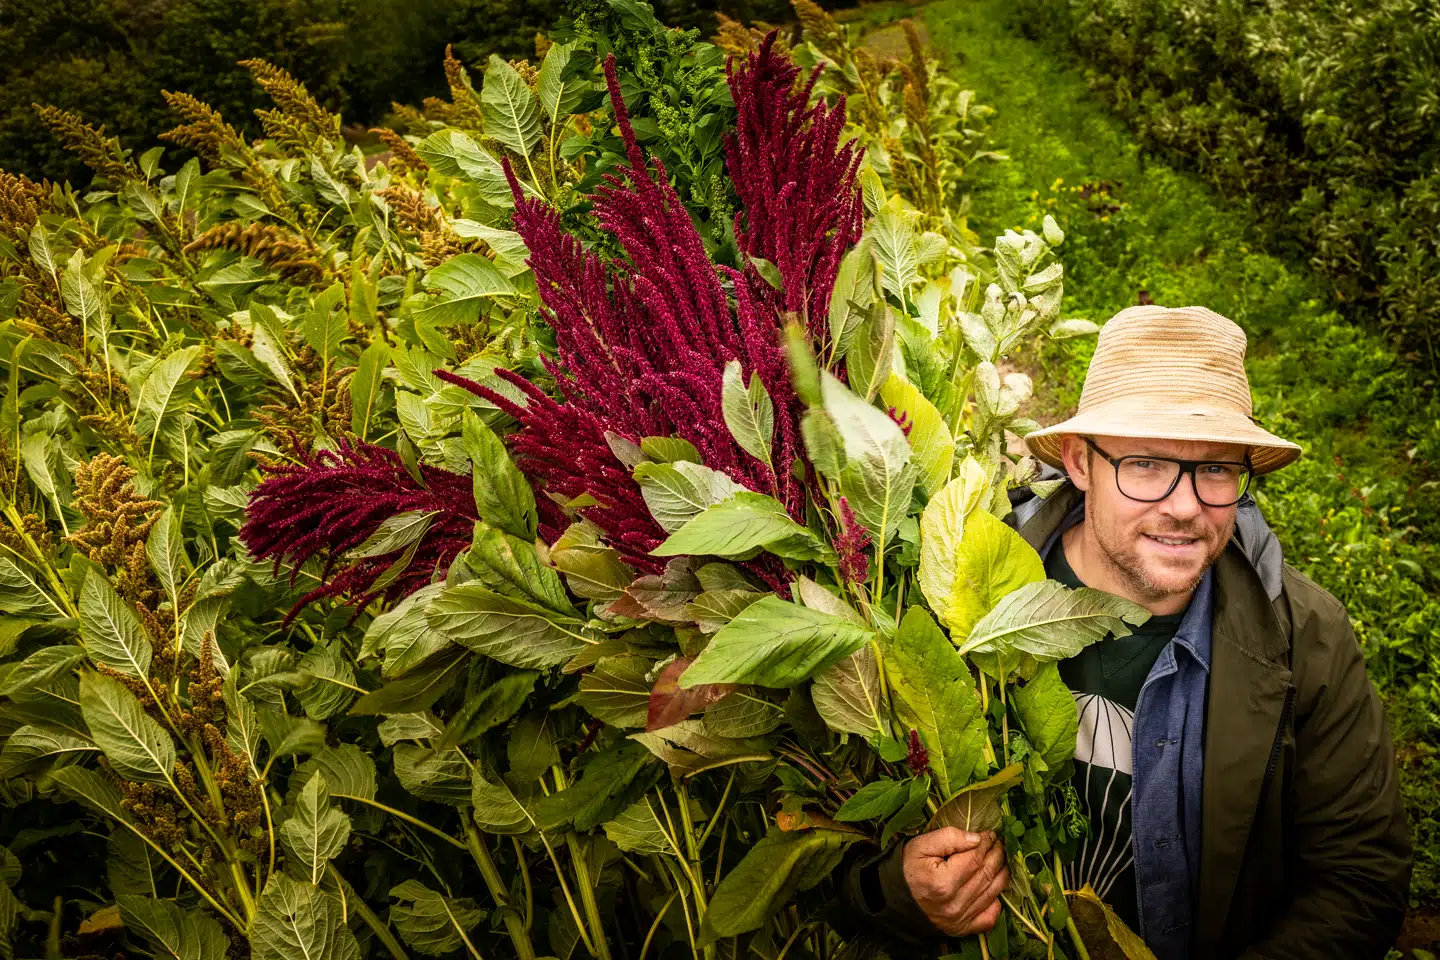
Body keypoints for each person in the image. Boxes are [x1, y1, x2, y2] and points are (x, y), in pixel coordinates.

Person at [835, 305, 1413, 959]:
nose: (1186, 505)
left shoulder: (1306, 636)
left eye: (1217, 469)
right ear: (1081, 462)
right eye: (1145, 463)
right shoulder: (949, 598)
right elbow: (838, 847)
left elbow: (1360, 876)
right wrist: (897, 891)